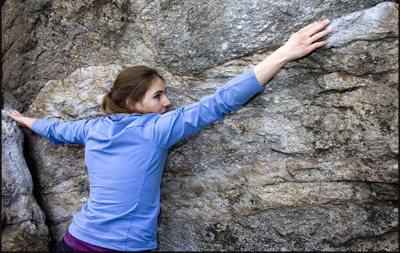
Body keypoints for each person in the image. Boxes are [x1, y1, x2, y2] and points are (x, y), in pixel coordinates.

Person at [6, 20, 332, 252]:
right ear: (133, 103)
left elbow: (56, 129)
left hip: (75, 240)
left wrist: (25, 120)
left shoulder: (93, 128)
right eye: (158, 96)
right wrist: (284, 53)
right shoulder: (156, 130)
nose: (168, 102)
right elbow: (219, 102)